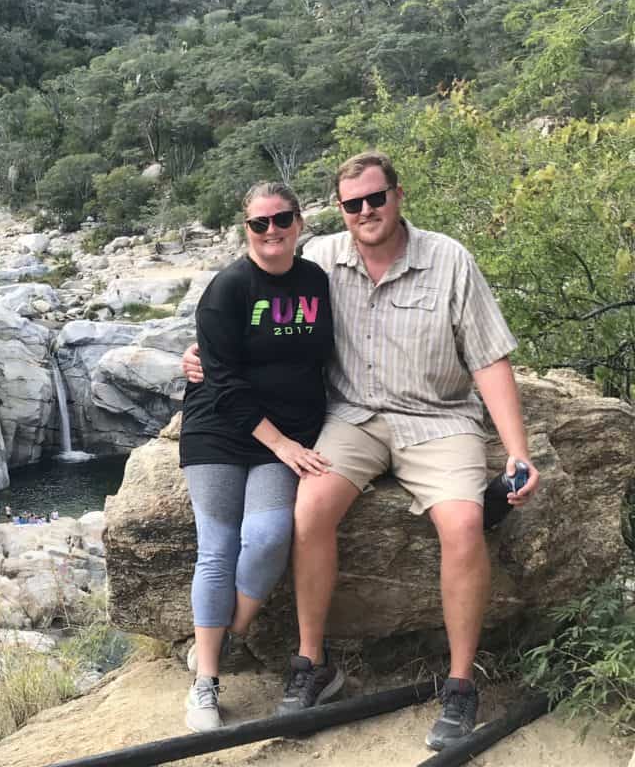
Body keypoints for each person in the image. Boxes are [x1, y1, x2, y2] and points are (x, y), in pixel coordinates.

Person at [182, 151, 540, 751]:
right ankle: (310, 663)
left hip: (438, 419)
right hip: (352, 417)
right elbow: (248, 305)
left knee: (463, 523)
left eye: (376, 198)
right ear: (339, 210)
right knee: (310, 510)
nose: (366, 211)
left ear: (397, 196)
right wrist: (198, 358)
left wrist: (517, 451)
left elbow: (489, 358)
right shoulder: (320, 258)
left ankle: (458, 686)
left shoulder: (448, 259)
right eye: (353, 204)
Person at [180, 181, 334, 732]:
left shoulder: (317, 280)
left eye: (282, 219)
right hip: (221, 430)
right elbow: (222, 383)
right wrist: (283, 444)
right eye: (260, 223)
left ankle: (217, 641)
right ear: (245, 227)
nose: (272, 231)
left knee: (269, 535)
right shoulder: (227, 289)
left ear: (300, 221)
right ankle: (206, 684)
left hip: (287, 432)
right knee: (217, 545)